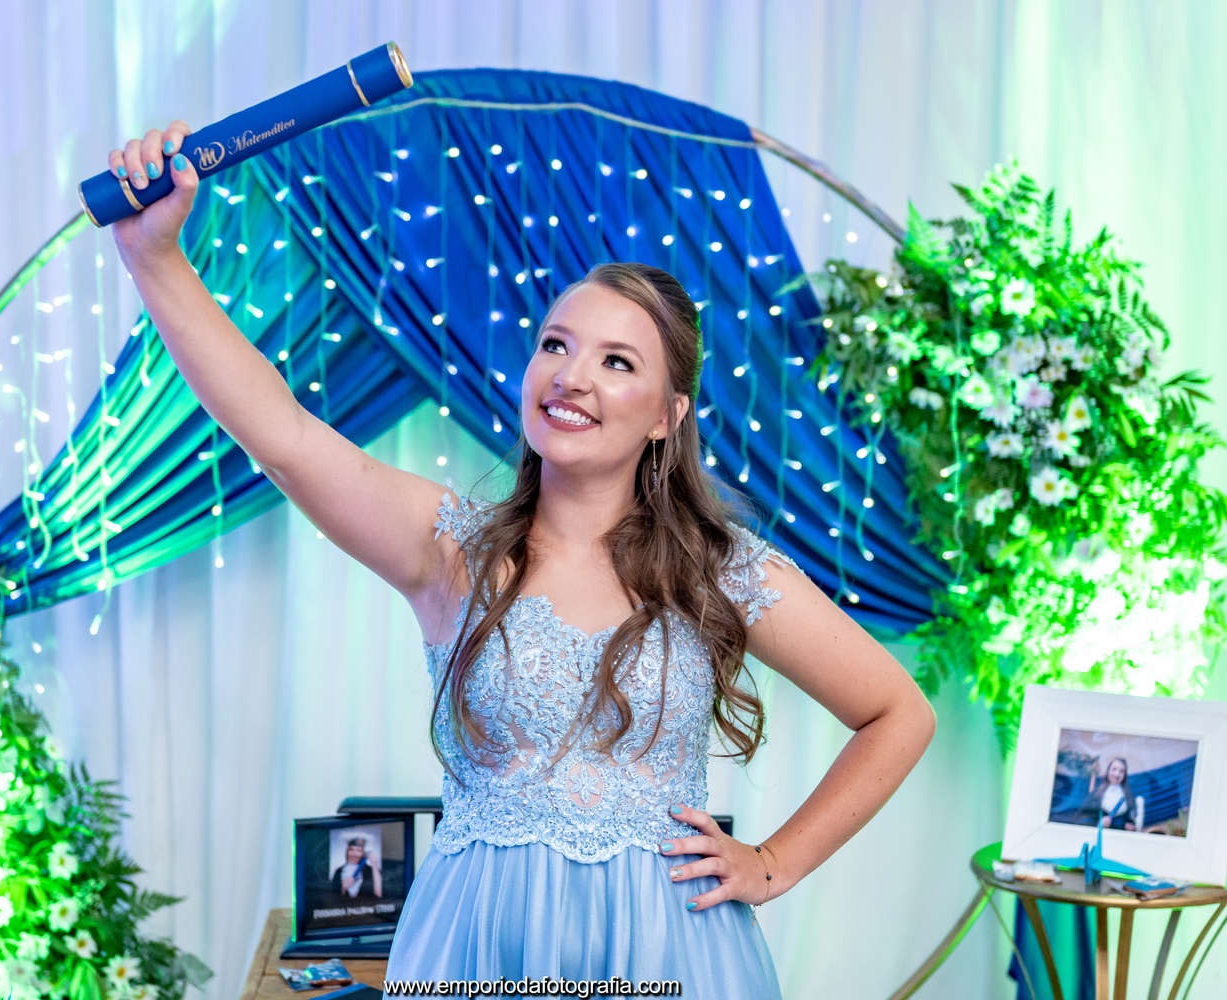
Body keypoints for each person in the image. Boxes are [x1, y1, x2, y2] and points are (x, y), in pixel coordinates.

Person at [107, 123, 935, 998]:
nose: (572, 376)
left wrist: (772, 863)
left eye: (617, 362)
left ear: (667, 415)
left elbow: (897, 713)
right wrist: (152, 256)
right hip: (477, 950)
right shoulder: (451, 549)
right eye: (556, 345)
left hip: (669, 954)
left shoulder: (718, 570)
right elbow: (283, 437)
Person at [1089, 756, 1138, 831]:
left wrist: (1129, 826)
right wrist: (1099, 823)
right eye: (1114, 769)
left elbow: (1131, 820)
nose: (1117, 774)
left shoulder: (1129, 796)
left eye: (1121, 771)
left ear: (1125, 775)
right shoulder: (1097, 794)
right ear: (1108, 771)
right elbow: (1085, 819)